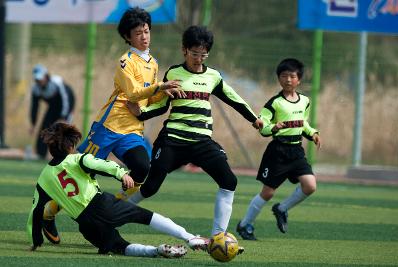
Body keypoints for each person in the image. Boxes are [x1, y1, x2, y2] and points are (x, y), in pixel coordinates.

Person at [41, 7, 184, 244]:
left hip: (132, 131)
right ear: (128, 37)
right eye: (138, 33)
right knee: (78, 172)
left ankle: (114, 205)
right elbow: (133, 93)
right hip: (109, 126)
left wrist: (168, 92)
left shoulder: (154, 63)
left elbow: (149, 99)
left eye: (147, 31)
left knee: (142, 168)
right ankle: (48, 213)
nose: (144, 36)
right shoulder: (125, 62)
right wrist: (160, 87)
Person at [126, 25, 263, 237]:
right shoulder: (174, 73)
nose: (199, 58)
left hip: (201, 142)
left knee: (229, 181)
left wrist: (254, 119)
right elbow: (162, 105)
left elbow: (234, 99)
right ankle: (119, 209)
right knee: (151, 187)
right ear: (184, 50)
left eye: (203, 54)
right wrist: (140, 113)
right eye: (195, 53)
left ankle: (219, 237)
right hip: (173, 140)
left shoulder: (214, 77)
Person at [27, 122, 208, 257]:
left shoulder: (44, 177)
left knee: (119, 247)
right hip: (103, 205)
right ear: (70, 146)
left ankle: (155, 251)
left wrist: (36, 240)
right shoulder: (77, 159)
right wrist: (122, 174)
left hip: (86, 225)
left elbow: (35, 212)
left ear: (50, 148)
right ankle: (190, 237)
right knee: (146, 217)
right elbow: (100, 164)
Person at [236, 58, 321, 240]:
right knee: (268, 192)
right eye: (284, 76)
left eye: (292, 76)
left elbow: (303, 123)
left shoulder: (305, 101)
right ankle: (245, 225)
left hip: (296, 151)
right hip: (278, 152)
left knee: (310, 185)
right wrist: (273, 128)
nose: (288, 80)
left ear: (299, 79)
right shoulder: (274, 103)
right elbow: (262, 126)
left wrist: (312, 133)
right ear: (278, 79)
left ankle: (281, 209)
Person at [30, 64, 75, 159]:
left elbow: (66, 99)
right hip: (53, 106)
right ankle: (41, 153)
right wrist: (33, 123)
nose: (39, 81)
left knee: (63, 129)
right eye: (37, 79)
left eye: (41, 78)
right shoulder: (35, 89)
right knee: (45, 128)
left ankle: (67, 155)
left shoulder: (56, 82)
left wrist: (64, 116)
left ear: (46, 76)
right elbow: (35, 107)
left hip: (67, 103)